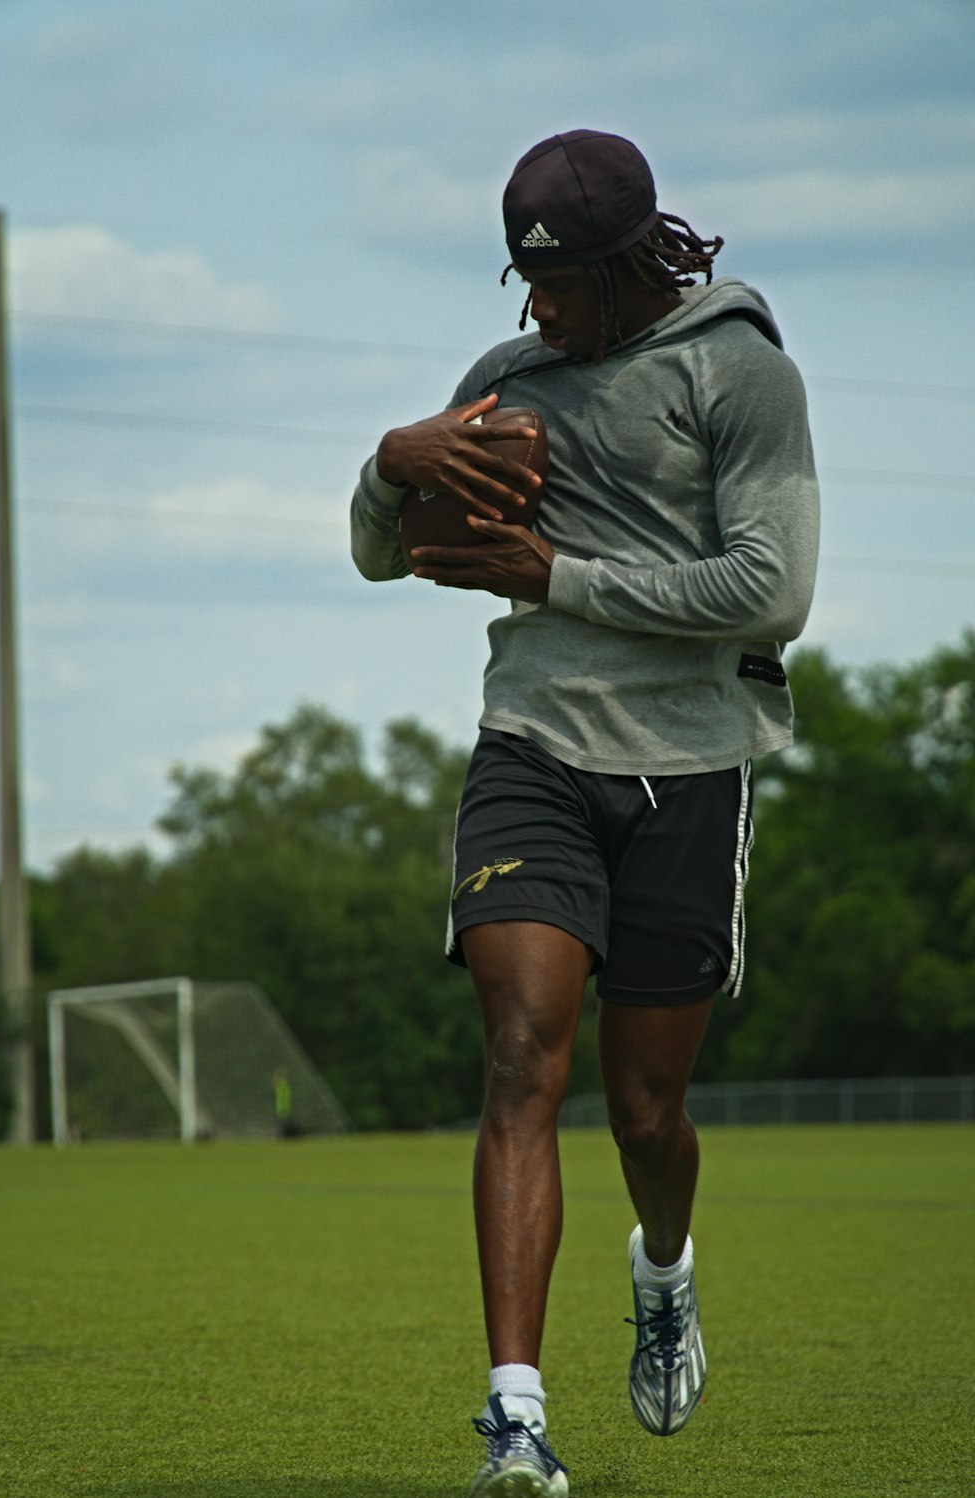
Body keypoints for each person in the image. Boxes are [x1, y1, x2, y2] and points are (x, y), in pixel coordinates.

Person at [350, 128, 819, 1498]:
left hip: (690, 761)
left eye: (559, 284)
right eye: (523, 280)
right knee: (519, 1058)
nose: (533, 309)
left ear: (629, 264)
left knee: (645, 1109)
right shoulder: (506, 381)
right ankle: (514, 1415)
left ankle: (662, 1272)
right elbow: (387, 549)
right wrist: (391, 461)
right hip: (534, 749)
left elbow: (770, 591)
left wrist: (558, 575)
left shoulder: (742, 374)